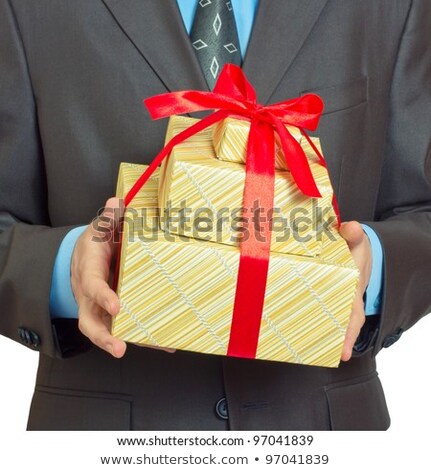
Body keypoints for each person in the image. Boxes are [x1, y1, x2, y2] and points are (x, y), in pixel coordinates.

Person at [0, 0, 430, 430]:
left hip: (320, 430)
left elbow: (422, 211)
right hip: (104, 433)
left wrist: (368, 271)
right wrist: (66, 270)